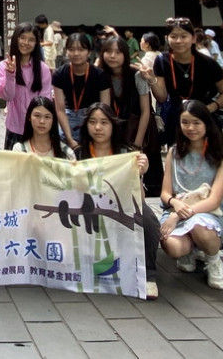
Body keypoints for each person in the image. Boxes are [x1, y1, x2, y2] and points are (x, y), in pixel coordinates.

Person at [76, 103, 160, 299]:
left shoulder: (125, 154)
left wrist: (140, 173)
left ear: (113, 125)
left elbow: (139, 198)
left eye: (104, 122)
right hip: (89, 208)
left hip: (121, 206)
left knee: (148, 220)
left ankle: (148, 276)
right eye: (93, 122)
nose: (98, 127)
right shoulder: (79, 154)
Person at [159, 100, 223, 291]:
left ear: (206, 124)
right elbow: (165, 193)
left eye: (196, 122)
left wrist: (177, 215)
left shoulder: (221, 158)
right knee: (171, 246)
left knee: (200, 226)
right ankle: (191, 250)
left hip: (209, 214)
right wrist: (174, 204)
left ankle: (213, 259)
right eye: (185, 122)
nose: (190, 128)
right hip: (178, 209)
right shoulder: (173, 152)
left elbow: (214, 201)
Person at [141, 17, 223, 145]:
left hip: (203, 117)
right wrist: (151, 80)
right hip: (176, 118)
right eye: (173, 36)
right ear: (167, 38)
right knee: (177, 155)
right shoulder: (162, 61)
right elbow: (162, 97)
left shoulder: (207, 63)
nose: (178, 41)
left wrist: (209, 108)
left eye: (184, 36)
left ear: (193, 38)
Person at [99, 35, 163, 196]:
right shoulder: (101, 75)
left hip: (134, 131)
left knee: (135, 183)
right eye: (108, 51)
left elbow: (146, 111)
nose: (112, 56)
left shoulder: (136, 75)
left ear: (125, 54)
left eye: (118, 52)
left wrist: (137, 144)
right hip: (112, 133)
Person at [0, 22, 53, 150]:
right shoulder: (3, 66)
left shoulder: (43, 69)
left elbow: (46, 100)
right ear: (16, 39)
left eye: (31, 40)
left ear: (36, 43)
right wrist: (10, 74)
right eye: (22, 38)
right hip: (15, 128)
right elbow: (8, 96)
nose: (26, 43)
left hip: (37, 130)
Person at [52, 32, 111, 152]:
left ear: (89, 52)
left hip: (93, 119)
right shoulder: (59, 74)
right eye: (71, 49)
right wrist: (70, 140)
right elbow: (60, 110)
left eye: (81, 49)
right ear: (66, 51)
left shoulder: (100, 75)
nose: (76, 53)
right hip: (68, 119)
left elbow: (105, 108)